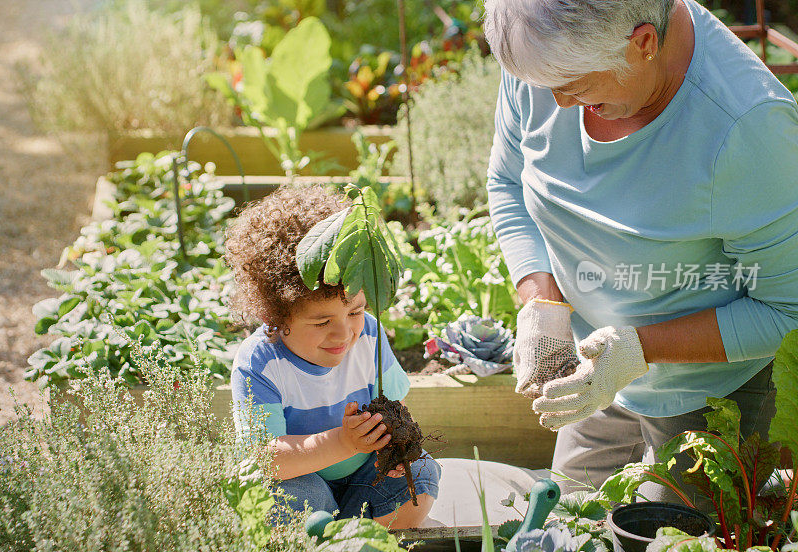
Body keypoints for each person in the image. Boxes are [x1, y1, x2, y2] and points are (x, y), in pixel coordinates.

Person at [482, 0, 798, 505]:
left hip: (715, 393)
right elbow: (506, 181)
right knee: (565, 519)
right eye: (545, 86)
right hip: (597, 375)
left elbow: (788, 312)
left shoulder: (745, 129)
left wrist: (640, 349)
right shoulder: (547, 52)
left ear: (644, 43)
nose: (557, 103)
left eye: (577, 86)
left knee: (672, 534)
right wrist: (541, 300)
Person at [224, 186, 440, 528]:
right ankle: (334, 530)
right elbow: (266, 459)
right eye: (322, 321)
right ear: (277, 317)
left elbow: (392, 406)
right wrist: (342, 441)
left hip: (363, 475)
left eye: (355, 311)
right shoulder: (261, 363)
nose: (344, 334)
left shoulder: (368, 333)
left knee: (422, 474)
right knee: (282, 499)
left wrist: (392, 447)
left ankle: (347, 530)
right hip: (300, 479)